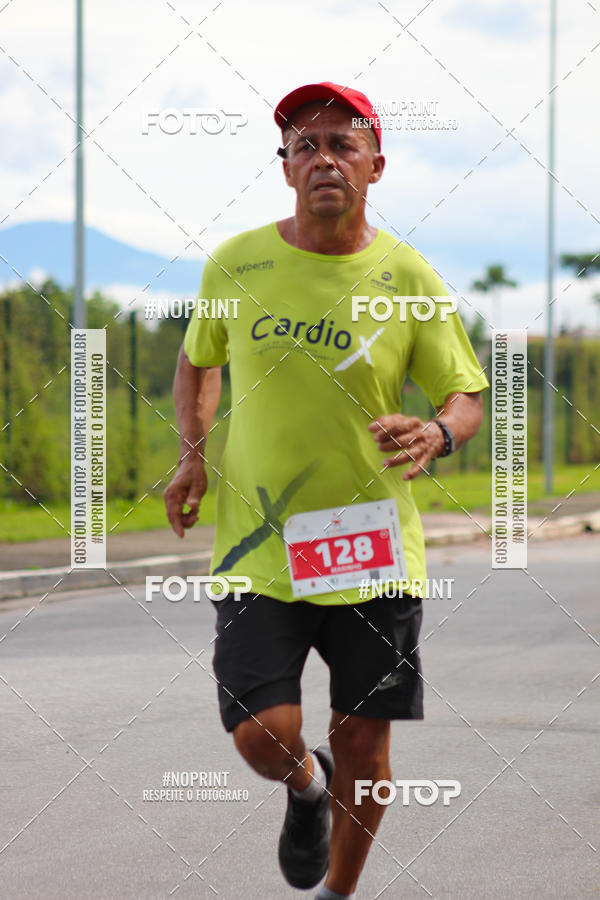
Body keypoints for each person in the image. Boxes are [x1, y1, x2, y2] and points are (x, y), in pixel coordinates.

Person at [164, 81, 489, 899]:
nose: (324, 159)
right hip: (258, 545)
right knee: (262, 734)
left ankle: (340, 894)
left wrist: (439, 430)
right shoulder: (236, 263)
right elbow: (201, 359)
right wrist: (192, 455)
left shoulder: (408, 273)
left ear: (377, 165)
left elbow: (464, 392)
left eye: (343, 144)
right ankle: (305, 792)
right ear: (284, 170)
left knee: (365, 746)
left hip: (371, 546)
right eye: (304, 146)